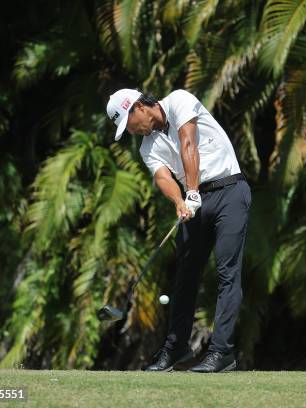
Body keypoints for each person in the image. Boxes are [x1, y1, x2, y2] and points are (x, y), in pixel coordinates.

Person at [106, 88, 251, 373]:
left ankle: (222, 352)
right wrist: (179, 201)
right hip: (195, 203)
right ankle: (176, 349)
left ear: (139, 107)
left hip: (230, 192)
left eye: (129, 123)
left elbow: (188, 143)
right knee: (184, 277)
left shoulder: (179, 101)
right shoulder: (147, 146)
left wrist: (193, 190)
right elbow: (163, 176)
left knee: (227, 273)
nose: (132, 131)